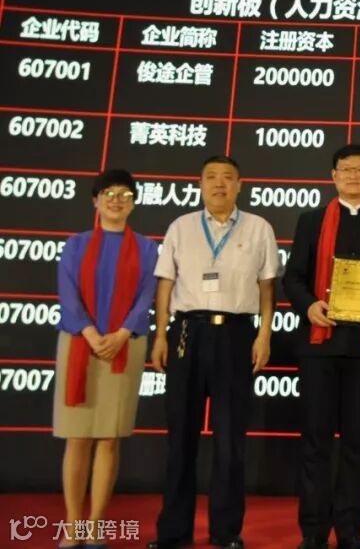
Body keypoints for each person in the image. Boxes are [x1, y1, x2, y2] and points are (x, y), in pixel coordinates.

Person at [147, 155, 280, 549]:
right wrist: (160, 335)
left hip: (237, 334)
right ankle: (174, 532)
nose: (219, 184)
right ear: (200, 184)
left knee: (230, 439)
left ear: (240, 185)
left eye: (227, 178)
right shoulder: (181, 226)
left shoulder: (259, 227)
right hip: (186, 333)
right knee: (180, 437)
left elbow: (268, 287)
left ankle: (226, 532)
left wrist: (264, 335)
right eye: (211, 177)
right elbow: (165, 283)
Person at [283, 144, 360, 549]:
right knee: (316, 441)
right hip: (319, 344)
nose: (354, 176)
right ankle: (314, 532)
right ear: (334, 176)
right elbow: (293, 278)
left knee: (356, 443)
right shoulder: (311, 221)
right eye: (346, 169)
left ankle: (350, 530)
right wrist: (309, 306)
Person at [53, 169, 159, 549]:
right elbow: (68, 294)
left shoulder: (147, 249)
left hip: (123, 346)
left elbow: (146, 296)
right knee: (78, 438)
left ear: (133, 203)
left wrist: (120, 333)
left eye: (125, 194)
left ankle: (96, 524)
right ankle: (73, 524)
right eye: (109, 193)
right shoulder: (76, 244)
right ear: (96, 201)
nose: (117, 200)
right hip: (79, 343)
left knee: (109, 439)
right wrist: (90, 332)